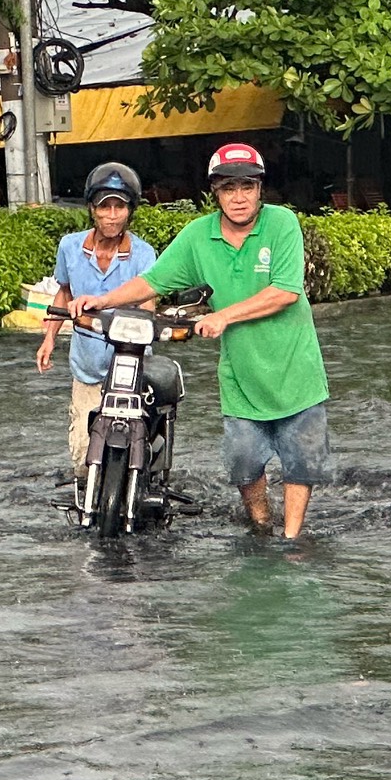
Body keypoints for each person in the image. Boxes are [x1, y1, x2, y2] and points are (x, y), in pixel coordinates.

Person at [78, 143, 330, 538]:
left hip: (296, 368)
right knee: (244, 463)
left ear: (260, 189)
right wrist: (103, 299)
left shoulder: (282, 224)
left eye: (247, 186)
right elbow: (155, 280)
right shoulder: (199, 235)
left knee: (301, 463)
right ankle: (262, 525)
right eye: (229, 188)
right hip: (241, 374)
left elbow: (285, 292)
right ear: (216, 192)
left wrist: (223, 316)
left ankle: (291, 538)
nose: (239, 197)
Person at [36, 161, 159, 470]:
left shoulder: (144, 254)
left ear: (130, 211)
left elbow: (147, 306)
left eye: (120, 207)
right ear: (92, 209)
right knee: (83, 456)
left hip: (132, 367)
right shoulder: (70, 247)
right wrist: (49, 339)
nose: (112, 215)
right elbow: (64, 292)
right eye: (105, 207)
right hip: (87, 366)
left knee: (138, 451)